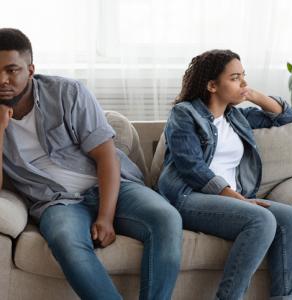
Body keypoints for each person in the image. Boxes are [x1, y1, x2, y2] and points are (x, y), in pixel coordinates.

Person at [0, 28, 182, 300]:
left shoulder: (67, 92)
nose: (3, 80)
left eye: (11, 70)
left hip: (111, 185)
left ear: (30, 69)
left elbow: (106, 156)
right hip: (56, 202)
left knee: (167, 218)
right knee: (66, 242)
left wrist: (105, 217)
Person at [158, 49, 292, 300]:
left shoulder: (237, 117)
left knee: (290, 218)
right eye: (235, 78)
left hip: (231, 199)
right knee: (261, 220)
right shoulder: (184, 114)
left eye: (243, 76)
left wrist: (252, 94)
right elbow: (192, 167)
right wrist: (238, 199)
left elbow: (286, 116)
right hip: (189, 196)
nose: (243, 83)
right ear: (212, 85)